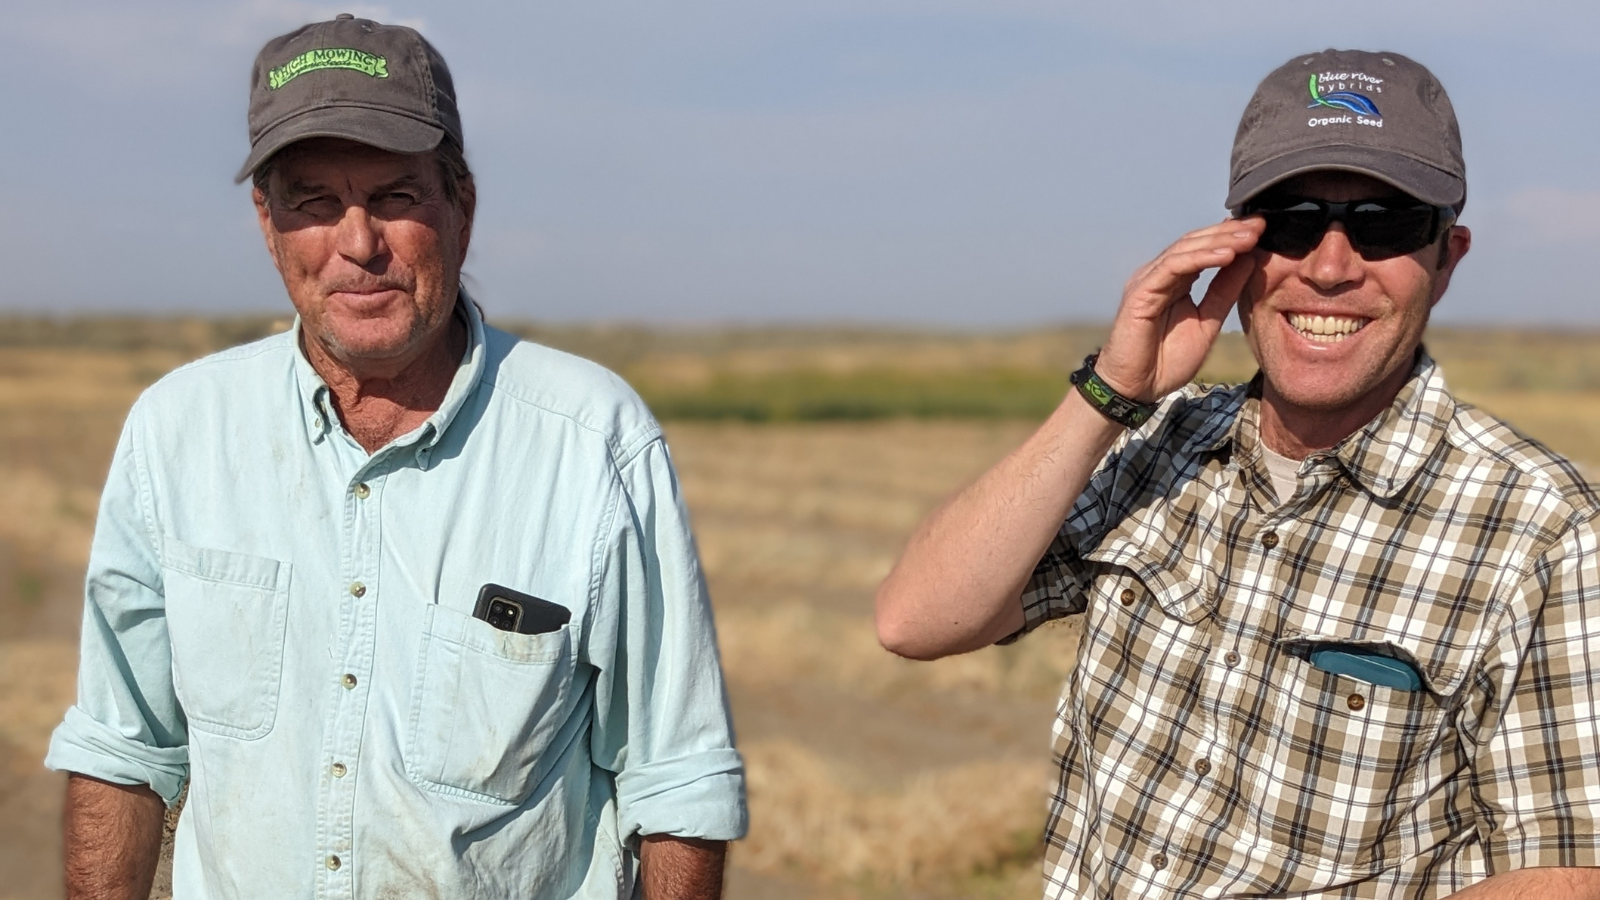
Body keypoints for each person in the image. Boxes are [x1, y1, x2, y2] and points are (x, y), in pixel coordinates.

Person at [46, 16, 745, 900]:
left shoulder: (594, 440)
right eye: (312, 203)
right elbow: (123, 751)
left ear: (463, 205)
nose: (358, 243)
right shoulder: (176, 432)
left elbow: (675, 781)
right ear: (267, 223)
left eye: (396, 196)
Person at [877, 48, 1600, 899]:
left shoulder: (1545, 530)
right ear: (1233, 250)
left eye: (1385, 224)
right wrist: (1111, 393)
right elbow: (916, 620)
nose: (1330, 267)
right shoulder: (1162, 443)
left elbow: (1564, 870)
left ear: (1448, 258)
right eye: (1290, 220)